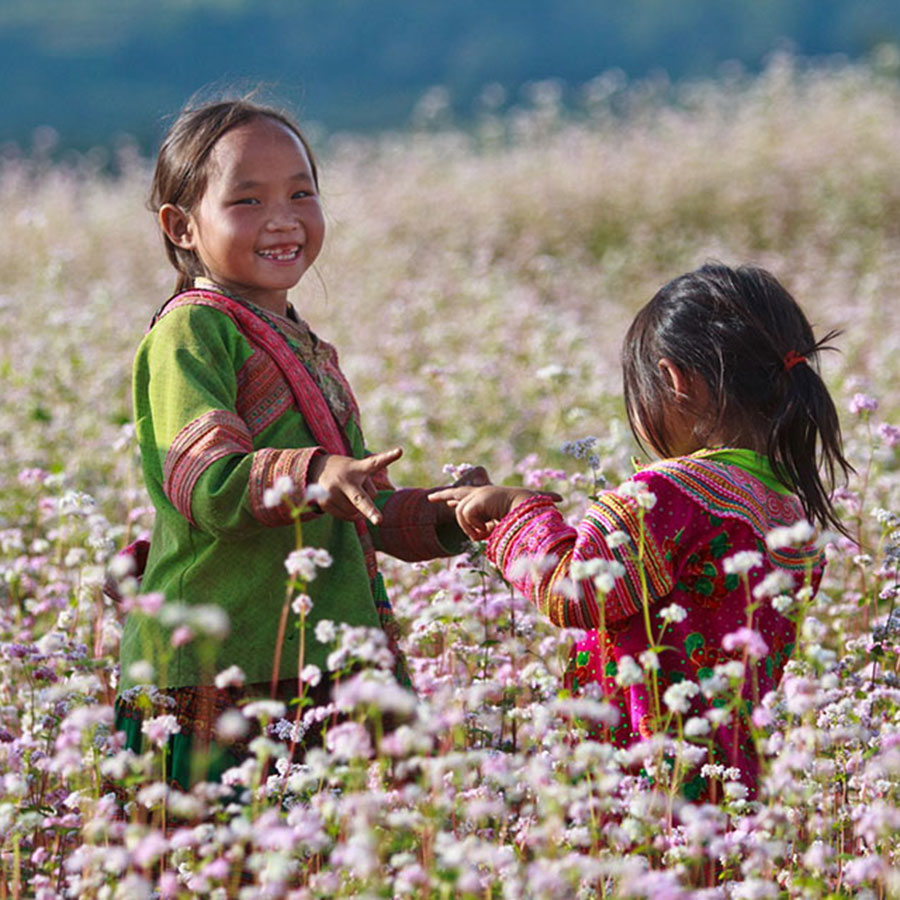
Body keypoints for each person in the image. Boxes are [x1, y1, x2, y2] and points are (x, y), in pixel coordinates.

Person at [116, 98, 477, 787]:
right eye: (247, 200)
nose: (282, 219)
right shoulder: (190, 334)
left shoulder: (305, 343)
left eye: (301, 193)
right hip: (215, 683)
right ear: (181, 226)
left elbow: (359, 506)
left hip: (319, 671)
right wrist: (317, 475)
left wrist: (452, 512)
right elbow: (206, 482)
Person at [432, 263, 851, 798]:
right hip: (737, 785)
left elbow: (576, 590)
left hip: (643, 778)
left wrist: (516, 511)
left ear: (675, 381)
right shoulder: (790, 517)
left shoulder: (668, 493)